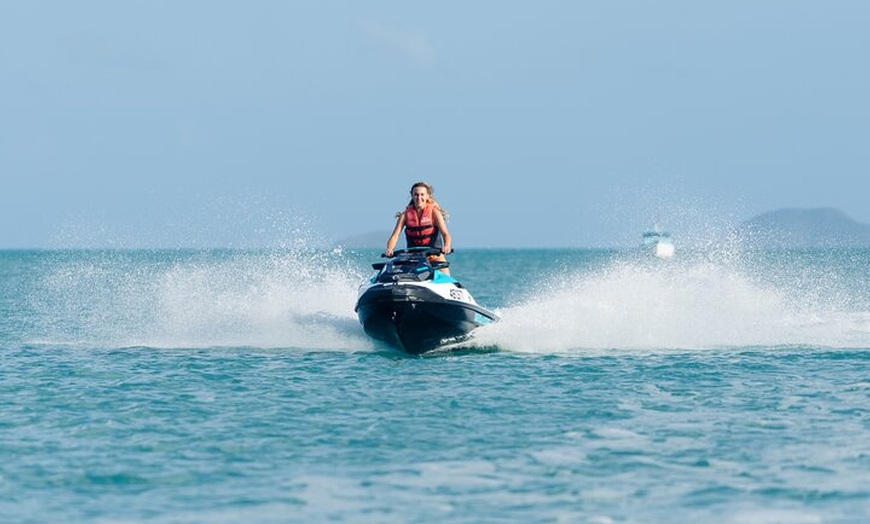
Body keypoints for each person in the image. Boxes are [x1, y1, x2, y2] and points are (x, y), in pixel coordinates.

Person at [385, 181, 452, 273]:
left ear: (427, 196)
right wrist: (389, 249)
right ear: (412, 196)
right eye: (416, 194)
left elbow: (445, 234)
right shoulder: (405, 215)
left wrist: (447, 246)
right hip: (414, 257)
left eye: (422, 194)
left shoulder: (434, 213)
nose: (419, 198)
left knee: (446, 277)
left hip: (434, 256)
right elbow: (395, 236)